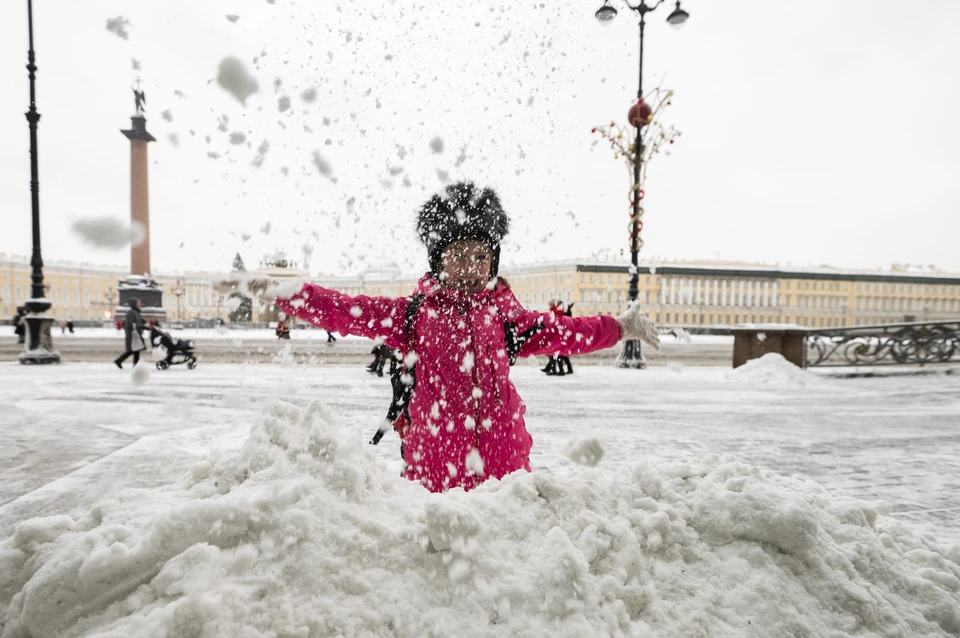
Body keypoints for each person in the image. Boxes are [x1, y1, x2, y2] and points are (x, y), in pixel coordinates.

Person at [273, 182, 660, 493]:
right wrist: (281, 292)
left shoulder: (506, 318)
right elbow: (343, 309)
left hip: (506, 477)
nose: (471, 267)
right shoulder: (413, 315)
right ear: (437, 258)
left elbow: (566, 332)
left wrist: (622, 326)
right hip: (435, 478)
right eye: (458, 254)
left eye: (481, 256)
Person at [114, 299, 147, 369]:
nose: (140, 304)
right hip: (132, 335)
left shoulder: (136, 312)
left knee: (134, 350)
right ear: (134, 304)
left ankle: (120, 361)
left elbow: (137, 322)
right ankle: (135, 366)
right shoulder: (131, 313)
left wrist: (143, 322)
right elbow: (131, 324)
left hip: (135, 334)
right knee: (135, 350)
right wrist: (142, 326)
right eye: (138, 303)